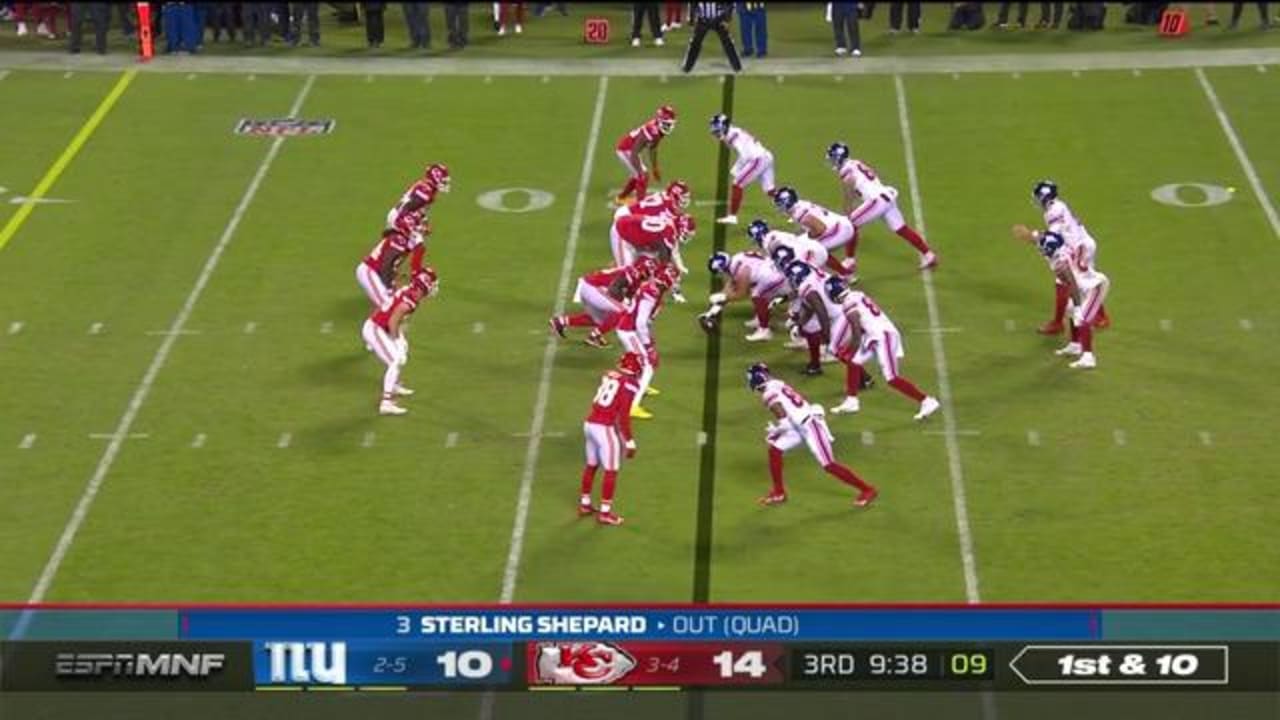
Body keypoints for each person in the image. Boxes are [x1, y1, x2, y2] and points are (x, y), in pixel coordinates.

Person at [746, 362, 878, 508]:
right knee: (775, 450)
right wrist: (778, 433)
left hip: (810, 426)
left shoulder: (768, 394)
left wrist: (775, 431)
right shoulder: (777, 383)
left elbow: (784, 423)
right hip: (799, 425)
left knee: (828, 464)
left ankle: (867, 489)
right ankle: (779, 492)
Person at [822, 274, 941, 418]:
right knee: (854, 362)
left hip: (883, 336)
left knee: (891, 377)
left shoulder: (848, 304)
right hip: (875, 336)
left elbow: (855, 330)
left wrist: (851, 349)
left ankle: (927, 401)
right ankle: (852, 401)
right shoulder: (857, 294)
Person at [1015, 180, 1109, 335]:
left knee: (1074, 282)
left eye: (1038, 197)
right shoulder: (1056, 207)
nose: (1036, 201)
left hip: (1080, 248)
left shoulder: (1054, 212)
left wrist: (1031, 235)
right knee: (1070, 282)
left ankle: (1088, 320)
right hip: (1079, 245)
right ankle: (1069, 321)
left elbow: (1054, 239)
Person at [826, 141, 938, 270]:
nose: (832, 162)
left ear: (838, 158)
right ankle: (929, 255)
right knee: (901, 228)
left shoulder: (847, 171)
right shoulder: (855, 163)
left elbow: (849, 193)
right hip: (886, 196)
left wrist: (848, 210)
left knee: (850, 225)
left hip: (877, 200)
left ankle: (850, 260)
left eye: (833, 158)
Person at [1018, 231, 1110, 369]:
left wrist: (1078, 307)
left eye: (1043, 249)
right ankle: (1075, 345)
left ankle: (1088, 357)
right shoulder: (1060, 248)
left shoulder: (1061, 264)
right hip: (1083, 286)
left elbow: (1072, 285)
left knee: (1082, 317)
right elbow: (1045, 237)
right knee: (1070, 309)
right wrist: (1030, 235)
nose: (1041, 250)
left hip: (1094, 288)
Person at [362, 267, 438, 415]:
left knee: (400, 354)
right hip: (375, 329)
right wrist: (396, 340)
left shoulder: (409, 291)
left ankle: (394, 384)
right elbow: (392, 322)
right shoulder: (409, 301)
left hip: (382, 327)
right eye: (432, 284)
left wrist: (400, 339)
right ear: (424, 286)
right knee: (395, 360)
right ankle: (386, 402)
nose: (433, 288)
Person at [579, 353, 644, 526]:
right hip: (604, 428)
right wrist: (629, 441)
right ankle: (605, 513)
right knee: (611, 470)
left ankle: (585, 504)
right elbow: (623, 417)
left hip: (589, 423)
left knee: (591, 465)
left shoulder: (609, 375)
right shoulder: (630, 385)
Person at [550, 257, 653, 347]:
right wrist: (623, 303)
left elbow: (629, 296)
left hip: (588, 287)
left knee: (601, 320)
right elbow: (614, 288)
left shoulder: (635, 276)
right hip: (593, 288)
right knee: (623, 312)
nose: (648, 277)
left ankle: (561, 322)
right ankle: (594, 336)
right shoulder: (632, 274)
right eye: (648, 273)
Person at [701, 249, 789, 342]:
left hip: (778, 279)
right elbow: (731, 285)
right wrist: (712, 312)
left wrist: (724, 297)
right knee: (756, 290)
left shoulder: (740, 270)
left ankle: (764, 330)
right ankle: (760, 318)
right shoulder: (737, 259)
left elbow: (741, 293)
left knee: (757, 295)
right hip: (776, 272)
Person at [709, 113, 777, 226]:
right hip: (765, 155)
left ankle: (732, 217)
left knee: (737, 184)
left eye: (717, 127)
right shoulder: (733, 132)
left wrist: (736, 169)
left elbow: (745, 155)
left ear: (724, 126)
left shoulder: (732, 135)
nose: (714, 130)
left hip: (757, 159)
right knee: (769, 190)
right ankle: (793, 206)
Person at [771, 187, 858, 275]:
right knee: (804, 239)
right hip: (845, 225)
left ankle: (845, 274)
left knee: (815, 249)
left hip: (838, 232)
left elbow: (820, 229)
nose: (779, 206)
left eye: (780, 203)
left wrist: (810, 237)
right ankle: (850, 259)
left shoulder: (799, 213)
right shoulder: (801, 203)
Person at [357, 210, 428, 307]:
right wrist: (389, 287)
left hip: (376, 272)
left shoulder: (404, 239)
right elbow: (386, 264)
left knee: (392, 303)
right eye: (419, 225)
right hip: (370, 271)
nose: (423, 229)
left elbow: (392, 264)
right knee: (387, 305)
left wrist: (394, 277)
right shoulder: (400, 240)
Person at [614, 105, 677, 204]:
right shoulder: (651, 130)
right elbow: (634, 152)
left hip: (631, 150)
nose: (668, 127)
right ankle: (640, 205)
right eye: (666, 124)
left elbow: (653, 149)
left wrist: (655, 168)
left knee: (639, 175)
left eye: (669, 124)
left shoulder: (658, 131)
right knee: (642, 176)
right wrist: (641, 173)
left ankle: (621, 198)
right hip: (626, 149)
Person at [386, 163, 451, 232]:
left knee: (417, 241)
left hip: (402, 216)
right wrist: (414, 226)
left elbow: (420, 210)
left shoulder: (429, 189)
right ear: (436, 177)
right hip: (400, 217)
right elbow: (407, 208)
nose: (444, 184)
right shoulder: (425, 189)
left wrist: (424, 223)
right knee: (412, 241)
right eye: (443, 181)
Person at [681, 2, 741, 73]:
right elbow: (693, 4)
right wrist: (691, 19)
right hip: (703, 19)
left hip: (719, 19)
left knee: (728, 43)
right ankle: (687, 66)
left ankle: (736, 66)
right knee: (695, 42)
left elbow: (730, 4)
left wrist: (726, 19)